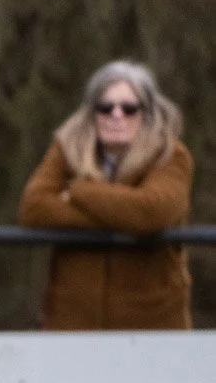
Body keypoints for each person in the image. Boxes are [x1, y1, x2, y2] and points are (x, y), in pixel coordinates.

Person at [17, 61, 193, 329]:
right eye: (105, 107)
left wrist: (78, 191)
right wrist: (122, 214)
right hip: (71, 326)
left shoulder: (171, 156)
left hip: (153, 328)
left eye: (129, 108)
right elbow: (33, 208)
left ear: (146, 114)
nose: (116, 115)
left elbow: (153, 211)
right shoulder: (67, 148)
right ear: (92, 113)